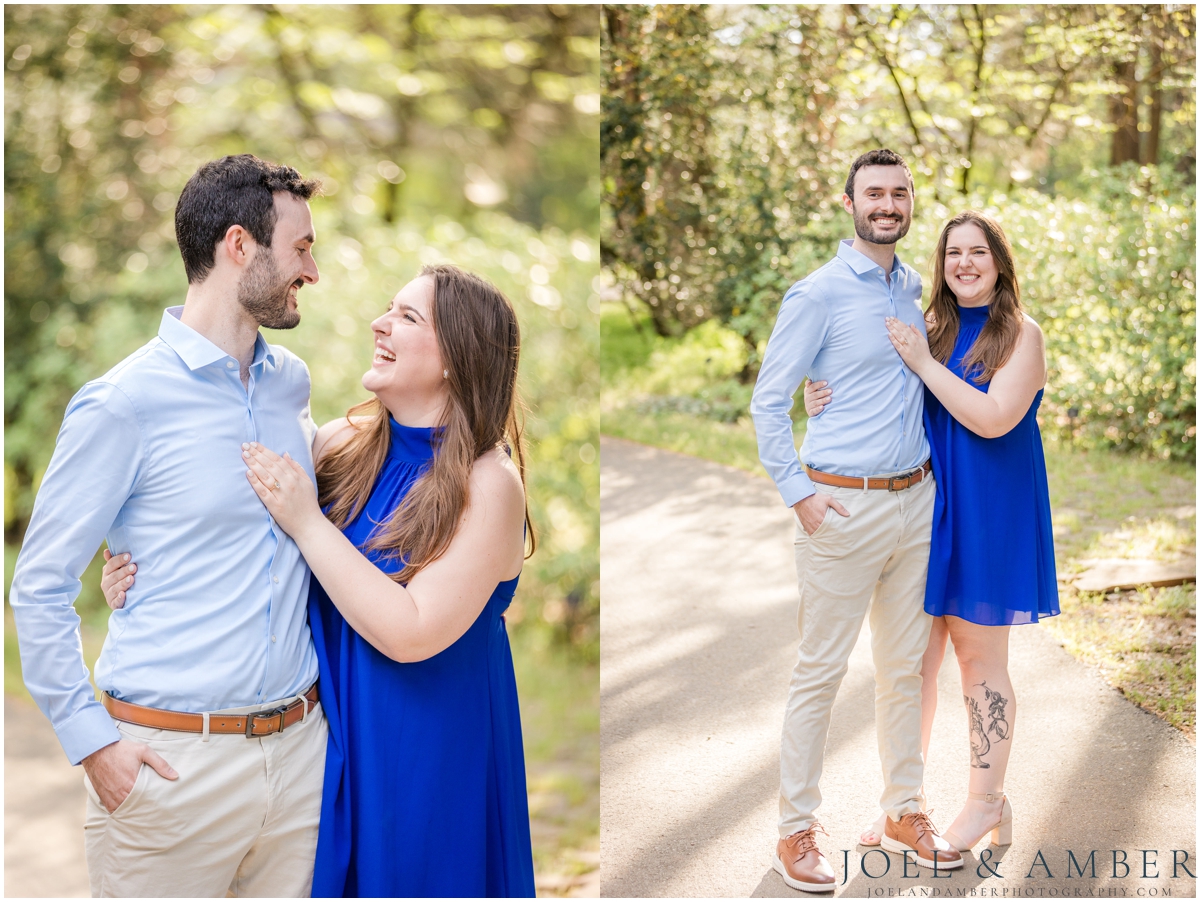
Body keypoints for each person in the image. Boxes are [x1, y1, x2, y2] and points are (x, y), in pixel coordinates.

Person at [103, 265, 538, 896]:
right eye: (389, 308)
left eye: (408, 317)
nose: (379, 324)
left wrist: (308, 522)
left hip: (430, 757)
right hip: (330, 747)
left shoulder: (489, 483)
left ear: (457, 359)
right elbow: (237, 541)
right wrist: (134, 573)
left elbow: (411, 631)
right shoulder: (342, 444)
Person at [9, 154, 328, 897]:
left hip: (300, 763)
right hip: (169, 769)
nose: (312, 271)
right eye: (302, 247)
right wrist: (95, 748)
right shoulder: (121, 403)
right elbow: (40, 587)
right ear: (240, 246)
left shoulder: (292, 385)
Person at [804, 210, 1058, 852]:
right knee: (914, 664)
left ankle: (983, 803)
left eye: (978, 252)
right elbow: (883, 398)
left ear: (1000, 262)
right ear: (941, 267)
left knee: (979, 659)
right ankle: (903, 803)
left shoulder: (1019, 336)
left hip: (991, 514)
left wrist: (920, 361)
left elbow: (994, 419)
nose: (965, 264)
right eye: (953, 255)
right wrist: (819, 396)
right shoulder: (931, 327)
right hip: (924, 509)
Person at [749, 148, 963, 893]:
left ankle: (904, 811)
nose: (888, 204)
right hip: (841, 507)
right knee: (820, 672)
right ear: (849, 203)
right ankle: (795, 830)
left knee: (905, 670)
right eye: (874, 193)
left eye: (899, 193)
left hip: (917, 504)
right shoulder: (816, 294)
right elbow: (767, 402)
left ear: (910, 204)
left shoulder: (915, 290)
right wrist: (798, 492)